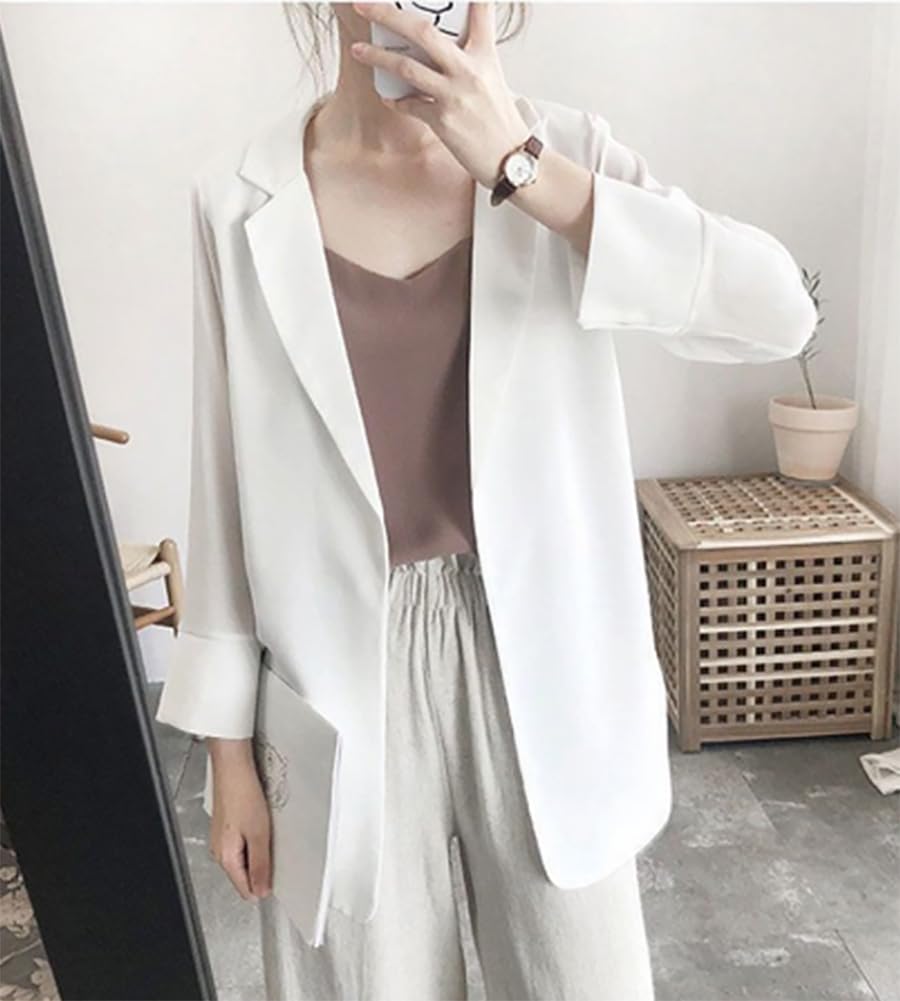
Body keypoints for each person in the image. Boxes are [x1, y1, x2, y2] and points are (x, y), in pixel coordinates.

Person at [155, 3, 818, 999]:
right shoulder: (238, 198)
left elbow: (779, 311)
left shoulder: (562, 152)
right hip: (339, 672)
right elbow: (225, 484)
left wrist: (524, 168)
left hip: (543, 653)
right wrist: (228, 755)